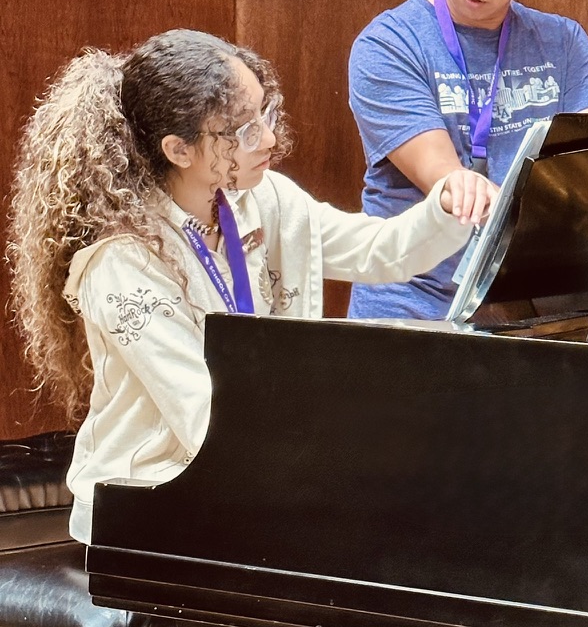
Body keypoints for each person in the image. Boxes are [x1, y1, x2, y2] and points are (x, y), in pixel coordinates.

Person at [6, 28, 495, 544]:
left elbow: (385, 251)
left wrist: (446, 203)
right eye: (240, 131)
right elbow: (206, 417)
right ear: (179, 149)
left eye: (266, 113)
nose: (268, 139)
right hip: (148, 503)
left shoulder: (264, 201)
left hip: (257, 474)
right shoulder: (123, 261)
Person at [347, 0, 588, 320]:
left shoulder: (563, 42)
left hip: (535, 303)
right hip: (416, 302)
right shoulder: (389, 44)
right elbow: (445, 179)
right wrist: (461, 182)